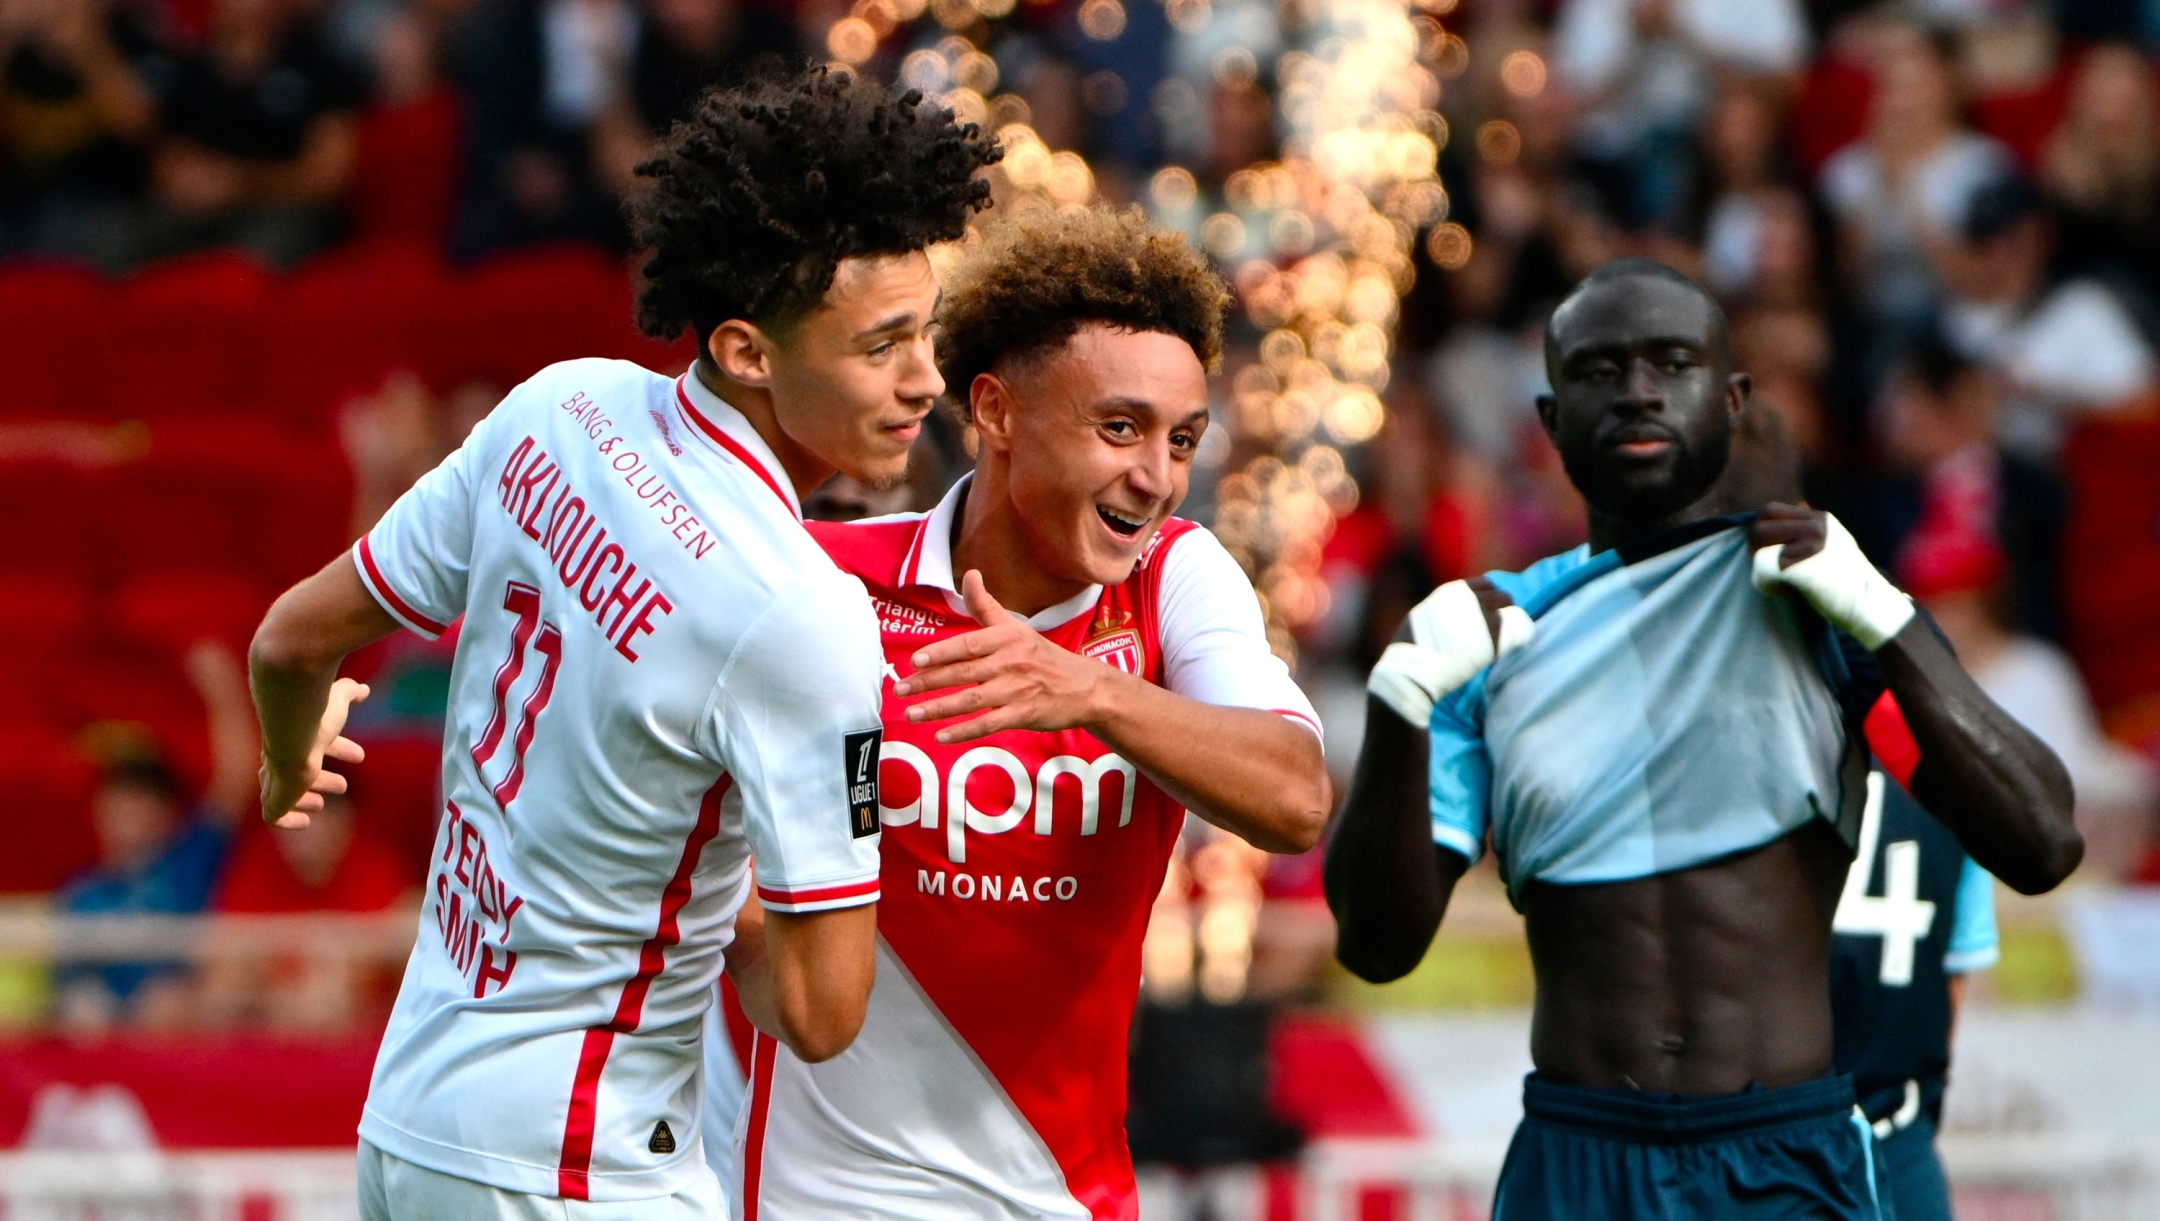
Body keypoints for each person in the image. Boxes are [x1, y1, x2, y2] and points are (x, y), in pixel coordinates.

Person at [250, 68, 1000, 1220]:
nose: (925, 382)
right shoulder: (800, 612)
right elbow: (820, 1012)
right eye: (882, 347)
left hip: (407, 1133)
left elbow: (292, 642)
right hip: (579, 1169)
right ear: (750, 350)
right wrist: (744, 878)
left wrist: (289, 759)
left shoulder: (559, 406)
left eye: (928, 332)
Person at [1324, 257, 2082, 1220]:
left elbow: (2044, 841)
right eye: (1599, 370)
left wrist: (1889, 622)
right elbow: (1379, 947)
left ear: (1730, 399)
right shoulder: (1492, 638)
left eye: (1670, 362)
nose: (1637, 391)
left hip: (1786, 1162)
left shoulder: (1821, 604)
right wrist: (1399, 704)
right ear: (1553, 422)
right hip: (1577, 1160)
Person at [726, 205, 1330, 1220]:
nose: (1157, 478)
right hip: (810, 1198)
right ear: (997, 412)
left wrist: (1091, 692)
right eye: (1120, 428)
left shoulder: (1172, 579)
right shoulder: (821, 584)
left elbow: (1295, 796)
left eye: (1182, 439)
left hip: (1060, 1195)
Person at [52, 641, 257, 1030]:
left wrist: (224, 691)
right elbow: (70, 983)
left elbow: (236, 781)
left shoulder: (187, 862)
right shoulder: (82, 893)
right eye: (120, 796)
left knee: (169, 1002)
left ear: (167, 812)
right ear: (99, 808)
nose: (130, 810)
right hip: (103, 1052)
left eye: (144, 798)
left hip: (178, 1038)